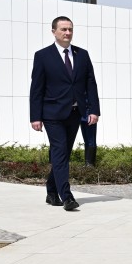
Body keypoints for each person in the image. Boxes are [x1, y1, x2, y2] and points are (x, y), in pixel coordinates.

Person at [30, 16, 100, 212]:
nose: (67, 33)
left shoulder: (82, 55)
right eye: (63, 29)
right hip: (52, 113)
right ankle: (66, 196)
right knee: (60, 152)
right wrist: (35, 116)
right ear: (54, 31)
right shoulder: (43, 56)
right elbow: (36, 88)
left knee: (63, 155)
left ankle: (51, 191)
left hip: (75, 113)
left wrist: (93, 109)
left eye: (70, 29)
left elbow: (90, 84)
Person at [79, 96, 98, 167]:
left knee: (90, 139)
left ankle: (90, 164)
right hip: (77, 113)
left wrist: (95, 112)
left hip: (89, 113)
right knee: (87, 140)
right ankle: (87, 163)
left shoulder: (88, 86)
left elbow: (94, 99)